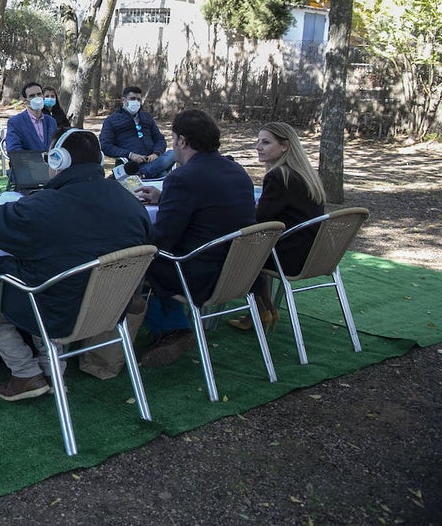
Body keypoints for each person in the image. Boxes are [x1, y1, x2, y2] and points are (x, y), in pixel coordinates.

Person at [0, 129, 152, 401]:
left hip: (56, 312)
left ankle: (25, 372)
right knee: (46, 276)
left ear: (59, 160)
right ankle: (53, 370)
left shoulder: (45, 206)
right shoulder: (132, 204)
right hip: (111, 309)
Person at [134, 109, 256, 367]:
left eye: (174, 138)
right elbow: (209, 206)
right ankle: (175, 327)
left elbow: (163, 239)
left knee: (139, 261)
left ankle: (169, 329)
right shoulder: (237, 171)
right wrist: (164, 196)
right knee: (157, 260)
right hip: (238, 271)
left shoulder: (183, 177)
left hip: (199, 276)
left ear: (183, 141)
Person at [229, 122, 327, 331]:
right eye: (258, 141)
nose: (258, 147)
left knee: (236, 249)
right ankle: (264, 309)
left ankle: (261, 309)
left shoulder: (279, 176)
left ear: (285, 146)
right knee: (253, 248)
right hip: (313, 252)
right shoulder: (305, 175)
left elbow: (261, 220)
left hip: (289, 257)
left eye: (265, 142)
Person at [100, 86, 175, 179]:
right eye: (132, 99)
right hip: (131, 164)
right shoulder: (111, 120)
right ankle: (146, 173)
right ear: (124, 100)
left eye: (138, 99)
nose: (136, 102)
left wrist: (156, 153)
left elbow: (159, 139)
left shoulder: (147, 117)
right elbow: (105, 145)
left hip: (153, 160)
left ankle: (144, 174)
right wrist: (130, 155)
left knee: (173, 153)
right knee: (162, 175)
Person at [5, 81, 57, 156]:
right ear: (25, 101)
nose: (37, 98)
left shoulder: (51, 121)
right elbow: (13, 150)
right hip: (27, 165)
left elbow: (57, 145)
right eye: (32, 96)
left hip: (51, 165)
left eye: (39, 94)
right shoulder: (15, 122)